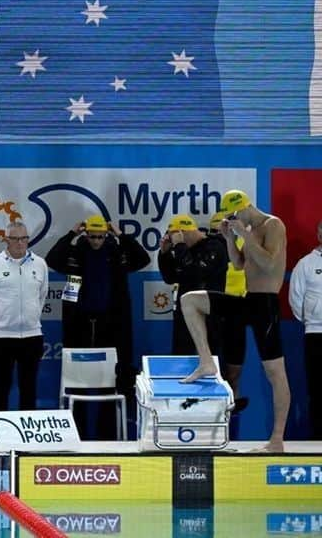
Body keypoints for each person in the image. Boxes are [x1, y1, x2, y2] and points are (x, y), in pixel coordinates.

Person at [180, 189, 291, 452]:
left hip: (266, 305)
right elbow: (240, 264)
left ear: (244, 207)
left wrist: (244, 234)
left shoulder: (272, 225)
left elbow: (268, 262)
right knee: (190, 300)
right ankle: (207, 362)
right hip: (247, 300)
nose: (233, 218)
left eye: (233, 214)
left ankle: (276, 440)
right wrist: (231, 238)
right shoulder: (248, 228)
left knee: (275, 373)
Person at [45, 214, 149, 438]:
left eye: (100, 237)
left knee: (110, 382)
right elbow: (52, 259)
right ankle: (76, 433)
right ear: (85, 234)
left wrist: (120, 234)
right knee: (77, 381)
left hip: (111, 325)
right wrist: (72, 234)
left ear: (107, 234)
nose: (96, 241)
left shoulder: (116, 252)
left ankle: (107, 436)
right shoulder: (75, 251)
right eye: (91, 236)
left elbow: (142, 259)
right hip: (79, 324)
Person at [0, 221, 48, 411]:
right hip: (2, 337)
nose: (20, 243)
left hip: (32, 336)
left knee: (29, 388)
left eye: (24, 238)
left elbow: (42, 296)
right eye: (15, 239)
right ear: (5, 239)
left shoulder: (40, 264)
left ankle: (28, 436)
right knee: (1, 387)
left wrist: (31, 320)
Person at [158, 215, 228, 355]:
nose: (174, 243)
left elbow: (196, 274)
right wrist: (164, 254)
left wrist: (180, 246)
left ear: (184, 233)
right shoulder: (183, 249)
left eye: (175, 238)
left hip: (209, 312)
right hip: (186, 312)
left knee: (211, 356)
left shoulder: (214, 246)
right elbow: (170, 277)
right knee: (181, 354)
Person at [289, 219, 322, 439]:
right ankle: (318, 441)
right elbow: (295, 299)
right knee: (317, 391)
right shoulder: (306, 264)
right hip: (315, 335)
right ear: (319, 234)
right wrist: (313, 321)